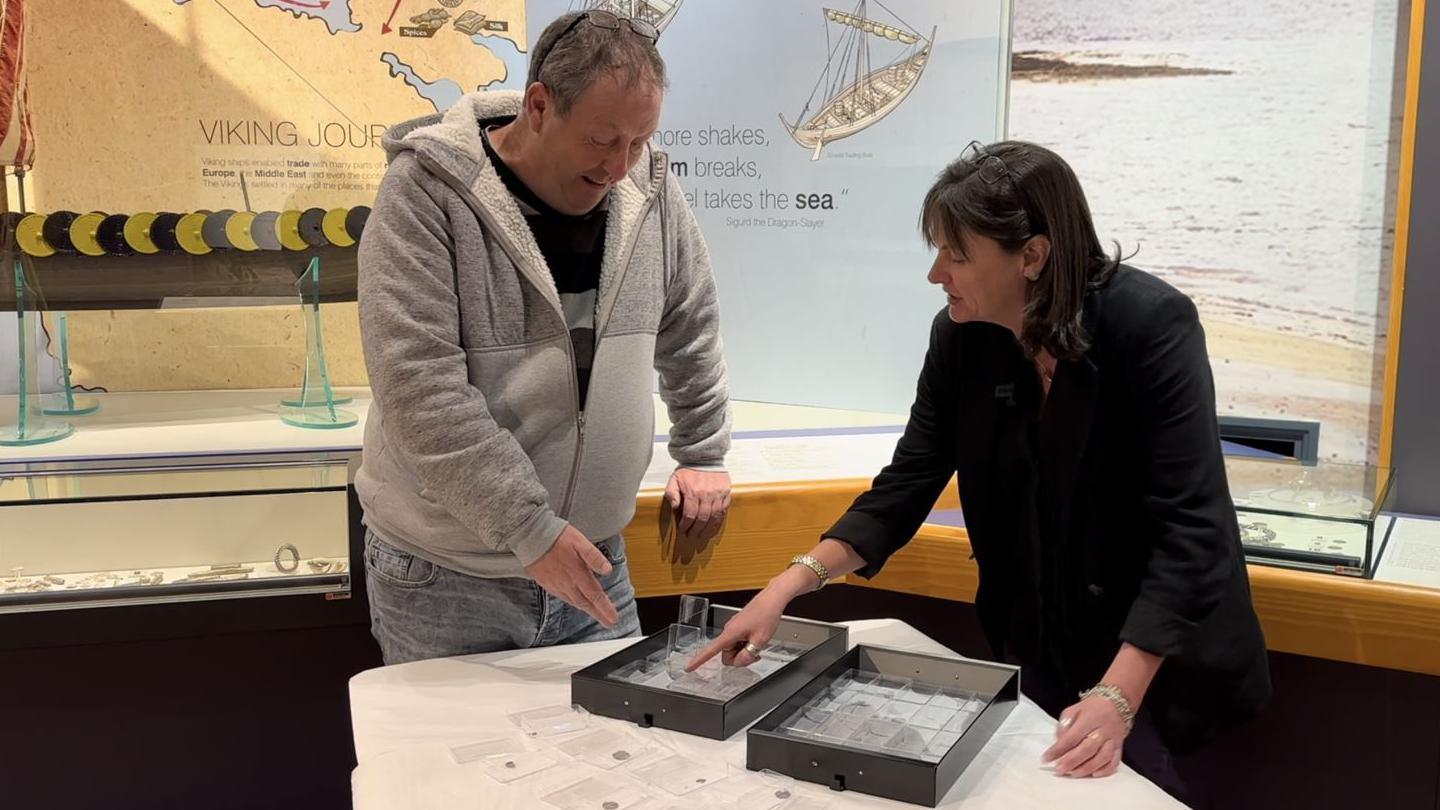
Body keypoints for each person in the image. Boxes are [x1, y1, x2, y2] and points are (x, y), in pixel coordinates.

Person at [689, 141, 1270, 803]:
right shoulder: (961, 339)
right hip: (1043, 650)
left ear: (1032, 256)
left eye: (955, 254)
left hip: (1161, 674)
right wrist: (785, 589)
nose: (936, 273)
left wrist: (1118, 693)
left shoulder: (1151, 326)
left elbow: (1191, 532)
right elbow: (908, 482)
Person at [355, 10, 733, 665]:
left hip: (593, 560)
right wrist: (528, 528)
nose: (620, 166)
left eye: (639, 142)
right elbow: (419, 389)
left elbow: (690, 322)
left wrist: (701, 449)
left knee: (613, 761)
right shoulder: (426, 194)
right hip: (448, 579)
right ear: (537, 107)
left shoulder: (651, 193)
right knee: (455, 767)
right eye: (602, 140)